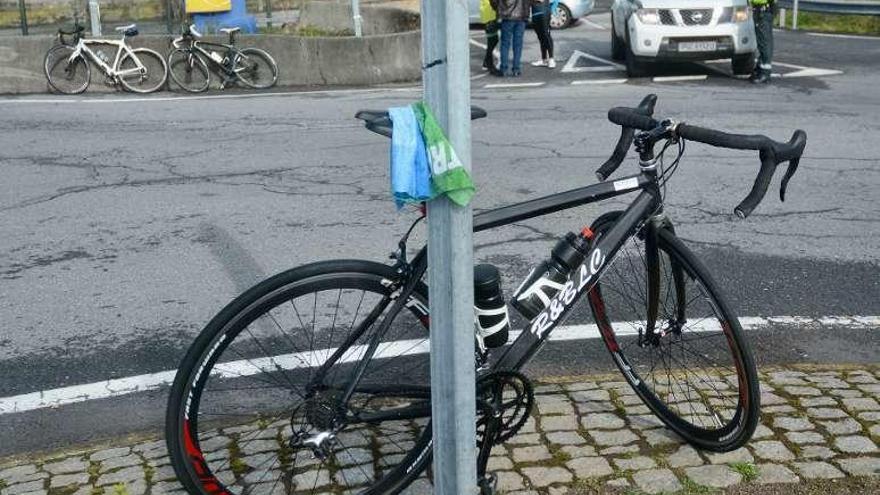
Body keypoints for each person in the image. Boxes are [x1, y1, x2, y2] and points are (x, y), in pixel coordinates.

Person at [491, 0, 530, 76]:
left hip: (507, 16)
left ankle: (504, 69)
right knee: (518, 44)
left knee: (505, 43)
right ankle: (516, 69)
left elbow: (494, 1)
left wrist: (498, 8)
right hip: (522, 15)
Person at [749, 0, 776, 84]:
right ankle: (760, 69)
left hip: (762, 11)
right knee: (763, 42)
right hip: (762, 10)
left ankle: (765, 73)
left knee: (764, 42)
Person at [530, 0, 557, 68]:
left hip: (544, 12)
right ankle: (544, 60)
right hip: (534, 14)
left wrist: (552, 10)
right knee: (541, 37)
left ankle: (551, 59)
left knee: (546, 35)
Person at [480, 0, 503, 76]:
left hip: (488, 13)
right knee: (492, 40)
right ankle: (489, 65)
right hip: (490, 14)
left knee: (493, 40)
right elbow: (493, 2)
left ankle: (487, 62)